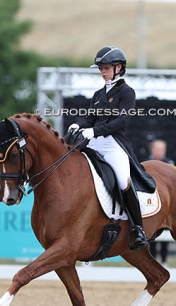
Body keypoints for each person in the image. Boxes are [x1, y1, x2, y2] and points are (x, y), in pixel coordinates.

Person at [67, 46, 148, 250]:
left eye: (106, 68)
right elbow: (90, 118)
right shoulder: (98, 94)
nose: (102, 71)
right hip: (95, 142)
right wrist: (80, 125)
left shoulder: (127, 92)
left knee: (122, 180)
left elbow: (122, 121)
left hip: (114, 144)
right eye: (100, 68)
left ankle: (138, 228)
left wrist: (95, 131)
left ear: (118, 67)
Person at [148, 139, 174, 265]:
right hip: (150, 201)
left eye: (161, 149)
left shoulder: (170, 164)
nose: (159, 152)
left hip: (166, 203)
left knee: (166, 233)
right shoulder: (145, 163)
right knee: (151, 231)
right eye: (157, 149)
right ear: (152, 150)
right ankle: (153, 261)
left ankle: (164, 260)